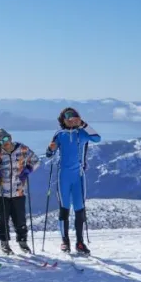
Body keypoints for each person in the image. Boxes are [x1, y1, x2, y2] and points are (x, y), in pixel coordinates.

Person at [46, 108, 101, 255]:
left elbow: (97, 138)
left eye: (74, 116)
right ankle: (65, 241)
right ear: (62, 119)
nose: (71, 119)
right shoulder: (59, 134)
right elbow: (49, 153)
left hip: (79, 176)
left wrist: (83, 124)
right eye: (67, 116)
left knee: (79, 209)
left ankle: (80, 242)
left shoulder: (82, 133)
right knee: (64, 208)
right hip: (63, 176)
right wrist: (50, 149)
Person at [0, 129, 40, 254]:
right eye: (1, 141)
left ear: (10, 137)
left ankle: (22, 241)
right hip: (2, 191)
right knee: (3, 218)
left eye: (6, 138)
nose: (5, 142)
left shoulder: (22, 148)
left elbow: (36, 160)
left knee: (20, 218)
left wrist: (28, 169)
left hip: (19, 190)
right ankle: (4, 243)